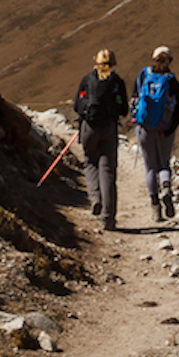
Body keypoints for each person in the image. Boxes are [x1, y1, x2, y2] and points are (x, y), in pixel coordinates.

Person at [73, 48, 128, 230]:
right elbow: (124, 109)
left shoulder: (87, 80)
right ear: (113, 62)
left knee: (89, 163)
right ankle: (108, 219)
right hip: (109, 129)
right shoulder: (117, 82)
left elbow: (76, 105)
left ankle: (95, 197)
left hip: (89, 128)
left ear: (95, 61)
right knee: (108, 171)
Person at [132, 45, 179, 223]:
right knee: (164, 164)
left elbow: (134, 101)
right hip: (165, 129)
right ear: (170, 60)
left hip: (145, 128)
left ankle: (156, 209)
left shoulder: (143, 76)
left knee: (150, 167)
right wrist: (169, 129)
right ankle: (166, 187)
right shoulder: (171, 81)